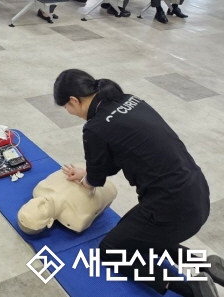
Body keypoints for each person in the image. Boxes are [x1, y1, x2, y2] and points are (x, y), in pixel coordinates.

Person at [53, 69, 223, 297]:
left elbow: (96, 180)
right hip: (197, 193)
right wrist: (89, 171)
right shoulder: (130, 100)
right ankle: (207, 265)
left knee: (111, 250)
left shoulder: (95, 127)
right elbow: (115, 159)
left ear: (74, 100)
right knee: (144, 239)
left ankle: (191, 289)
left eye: (67, 108)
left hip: (171, 208)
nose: (70, 112)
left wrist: (85, 180)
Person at [17, 163, 117, 235]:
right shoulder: (77, 219)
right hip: (106, 185)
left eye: (31, 203)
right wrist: (89, 180)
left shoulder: (39, 189)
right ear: (50, 222)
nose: (40, 200)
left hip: (84, 167)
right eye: (41, 208)